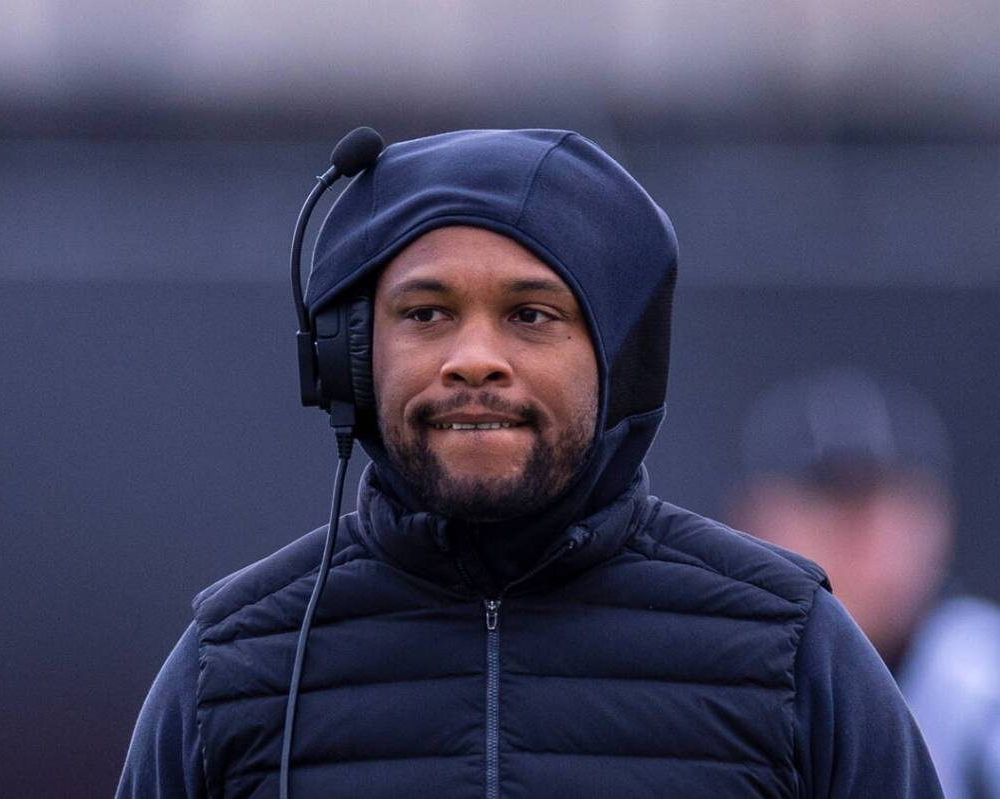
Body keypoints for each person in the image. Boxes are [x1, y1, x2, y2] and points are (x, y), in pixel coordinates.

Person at [117, 130, 942, 797]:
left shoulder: (789, 648)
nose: (474, 358)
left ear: (620, 357)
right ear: (350, 359)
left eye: (531, 313)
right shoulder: (231, 665)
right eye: (427, 312)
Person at [730, 368, 1000, 798]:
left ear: (935, 525)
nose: (851, 541)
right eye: (821, 509)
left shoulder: (981, 690)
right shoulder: (714, 665)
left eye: (872, 513)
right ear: (750, 521)